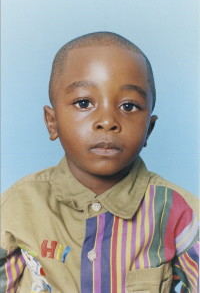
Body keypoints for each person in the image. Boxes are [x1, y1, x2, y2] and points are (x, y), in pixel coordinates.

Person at [0, 32, 199, 293]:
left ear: (149, 129)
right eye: (84, 103)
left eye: (128, 106)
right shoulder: (18, 204)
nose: (107, 121)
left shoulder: (180, 212)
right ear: (52, 122)